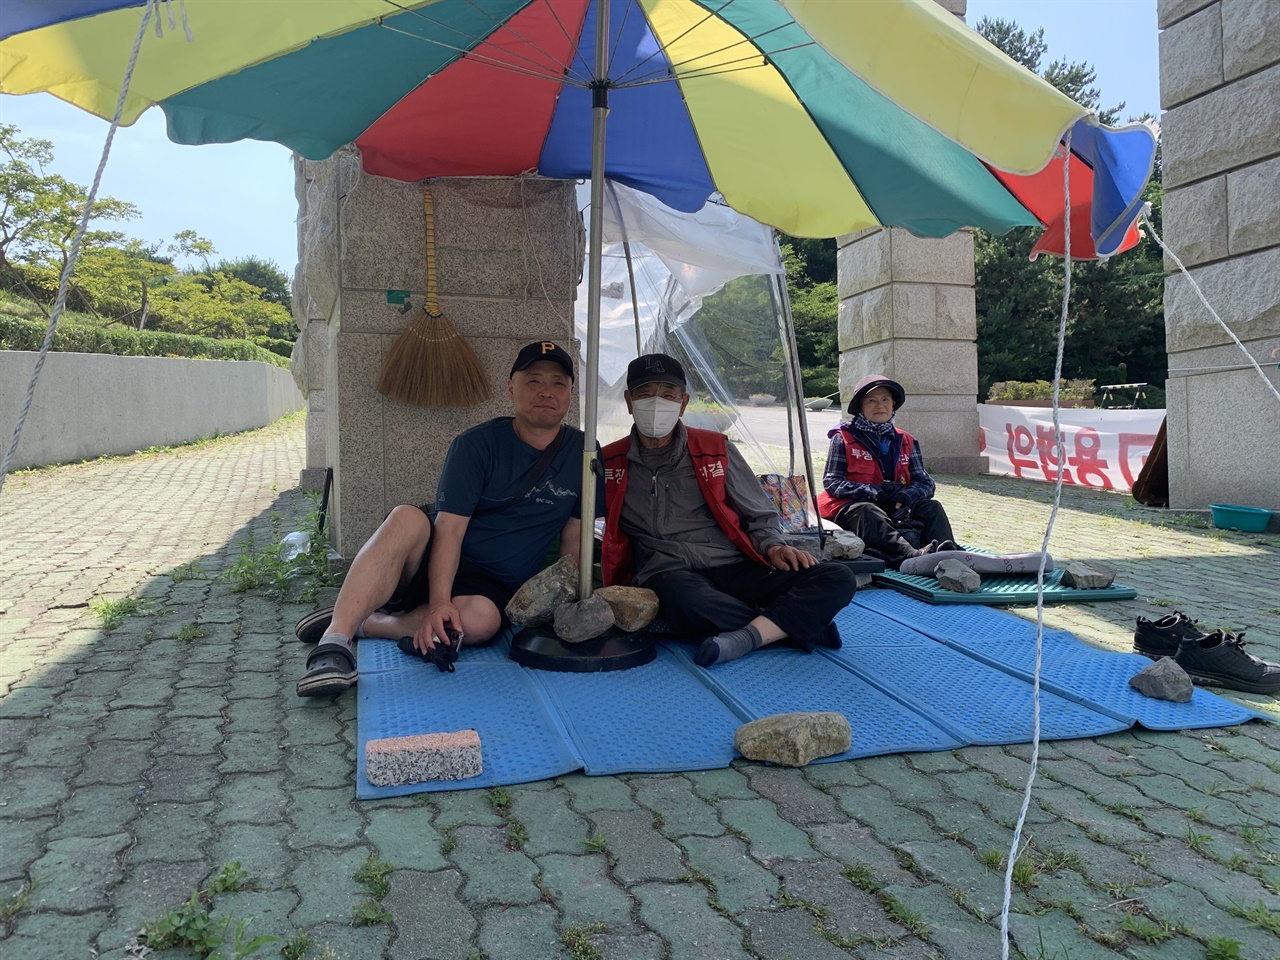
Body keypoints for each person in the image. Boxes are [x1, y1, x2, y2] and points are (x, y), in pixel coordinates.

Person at [296, 341, 587, 697]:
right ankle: (335, 641)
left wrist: (571, 607)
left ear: (572, 391)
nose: (546, 391)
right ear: (511, 388)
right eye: (533, 381)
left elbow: (576, 537)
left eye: (559, 383)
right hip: (434, 557)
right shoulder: (476, 444)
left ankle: (368, 621)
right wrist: (439, 603)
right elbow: (449, 528)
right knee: (406, 518)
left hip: (492, 585)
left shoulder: (585, 454)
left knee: (481, 623)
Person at [600, 354, 857, 668]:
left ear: (683, 403)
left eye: (668, 395)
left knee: (838, 577)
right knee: (685, 601)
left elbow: (758, 512)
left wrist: (774, 546)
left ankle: (751, 634)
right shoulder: (611, 461)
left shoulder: (715, 449)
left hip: (734, 565)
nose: (657, 403)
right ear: (629, 401)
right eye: (644, 393)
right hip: (671, 573)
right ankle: (791, 624)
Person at [817, 374, 956, 568]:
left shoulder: (906, 440)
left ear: (893, 405)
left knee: (931, 507)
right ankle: (910, 556)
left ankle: (949, 554)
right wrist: (873, 493)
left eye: (885, 400)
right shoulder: (843, 438)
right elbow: (832, 482)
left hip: (896, 505)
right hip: (857, 507)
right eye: (871, 400)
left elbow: (924, 482)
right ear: (860, 407)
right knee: (868, 510)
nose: (879, 405)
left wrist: (907, 496)